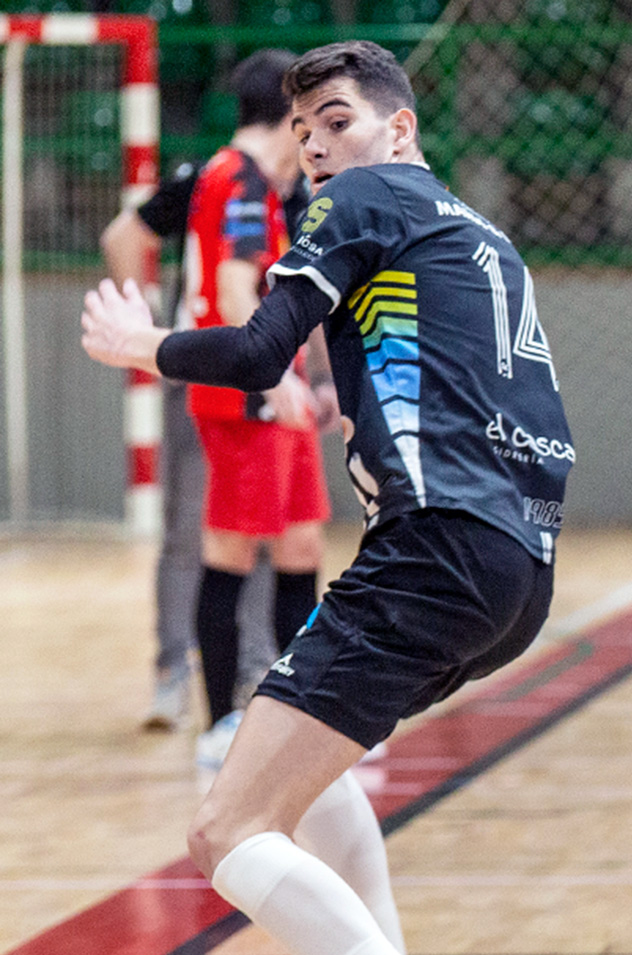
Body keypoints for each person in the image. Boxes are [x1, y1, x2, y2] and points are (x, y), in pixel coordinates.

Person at [81, 38, 573, 955]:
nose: (318, 151)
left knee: (227, 831)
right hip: (515, 567)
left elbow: (258, 352)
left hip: (428, 553)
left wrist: (143, 343)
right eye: (304, 135)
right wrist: (365, 409)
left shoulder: (367, 196)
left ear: (400, 130)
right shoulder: (477, 235)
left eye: (339, 123)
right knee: (318, 772)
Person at [177, 49, 333, 769]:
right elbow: (239, 291)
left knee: (302, 545)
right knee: (231, 552)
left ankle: (302, 716)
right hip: (244, 402)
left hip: (270, 397)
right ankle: (220, 721)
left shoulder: (255, 183)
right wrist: (276, 384)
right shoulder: (237, 179)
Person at [101, 158, 279, 731]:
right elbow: (124, 234)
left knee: (261, 530)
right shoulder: (215, 178)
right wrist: (151, 336)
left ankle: (255, 671)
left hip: (269, 379)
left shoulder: (299, 185)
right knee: (191, 530)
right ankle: (175, 672)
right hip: (208, 372)